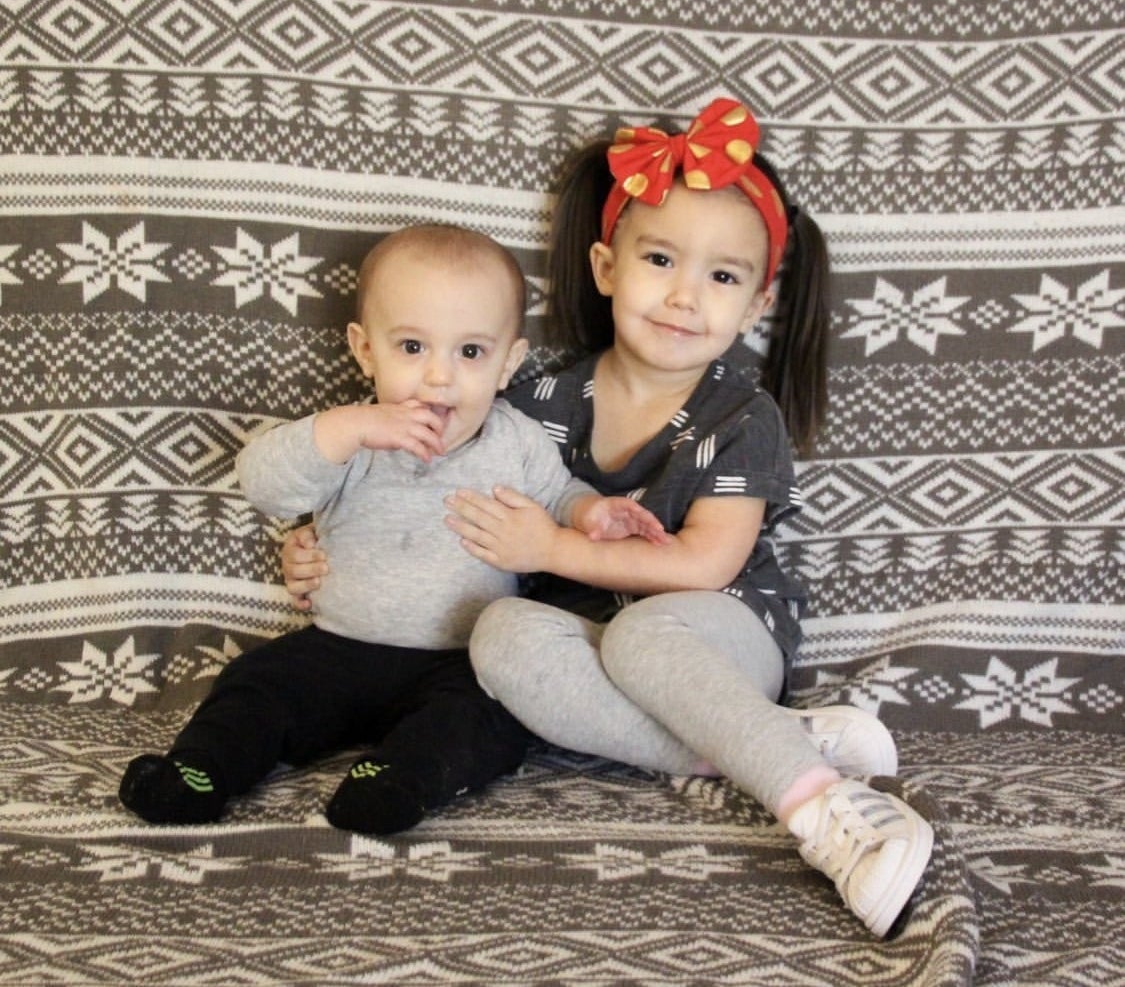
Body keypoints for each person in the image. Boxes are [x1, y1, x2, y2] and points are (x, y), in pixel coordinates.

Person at [283, 99, 933, 937]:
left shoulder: (742, 416)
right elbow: (426, 492)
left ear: (757, 304)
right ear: (604, 266)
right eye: (659, 258)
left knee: (642, 634)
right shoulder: (535, 403)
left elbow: (705, 565)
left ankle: (827, 810)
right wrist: (323, 543)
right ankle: (772, 742)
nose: (684, 296)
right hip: (596, 652)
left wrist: (552, 545)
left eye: (722, 278)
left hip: (720, 630)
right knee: (501, 638)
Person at [118, 223, 666, 836]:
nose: (439, 377)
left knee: (493, 715)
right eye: (411, 347)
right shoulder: (351, 436)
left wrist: (590, 513)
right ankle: (199, 770)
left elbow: (558, 494)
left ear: (508, 362)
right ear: (364, 350)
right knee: (256, 684)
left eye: (470, 353)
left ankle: (400, 778)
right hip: (338, 648)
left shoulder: (515, 440)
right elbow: (264, 485)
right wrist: (346, 428)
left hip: (460, 660)